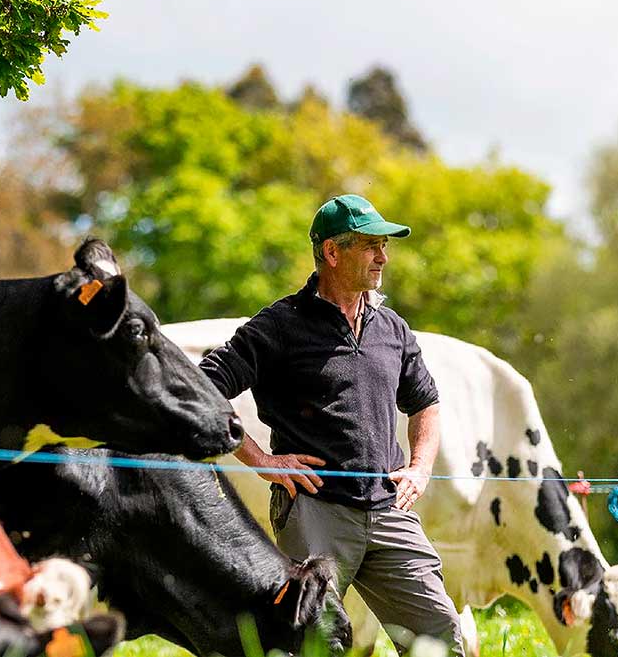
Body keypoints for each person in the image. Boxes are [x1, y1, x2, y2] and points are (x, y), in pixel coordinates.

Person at [199, 194, 464, 655]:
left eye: (384, 246)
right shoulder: (280, 325)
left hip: (388, 511)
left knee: (441, 635)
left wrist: (420, 466)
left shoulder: (392, 328)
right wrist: (261, 459)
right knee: (313, 644)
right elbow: (203, 386)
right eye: (370, 245)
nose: (383, 256)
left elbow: (427, 403)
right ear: (332, 252)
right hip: (314, 513)